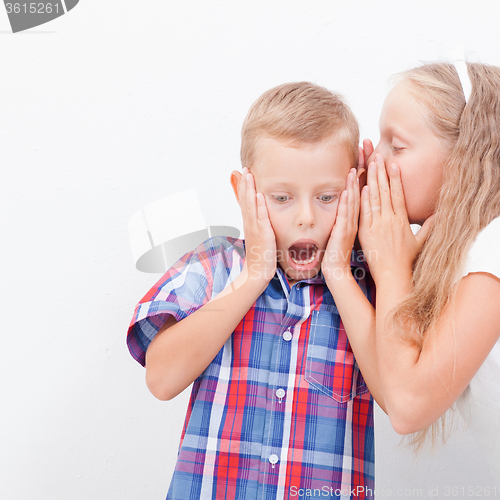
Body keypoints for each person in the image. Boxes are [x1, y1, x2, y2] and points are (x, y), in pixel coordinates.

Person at [127, 82, 378, 499]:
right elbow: (162, 379)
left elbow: (399, 397)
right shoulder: (214, 267)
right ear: (244, 191)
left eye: (328, 197)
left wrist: (340, 272)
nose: (305, 217)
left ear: (356, 188)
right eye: (281, 197)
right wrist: (252, 277)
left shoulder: (366, 287)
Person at [327, 61, 500, 486]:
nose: (374, 162)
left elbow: (407, 406)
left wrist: (391, 270)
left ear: (465, 157)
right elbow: (393, 386)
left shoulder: (494, 246)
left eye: (397, 147)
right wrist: (338, 272)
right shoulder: (465, 251)